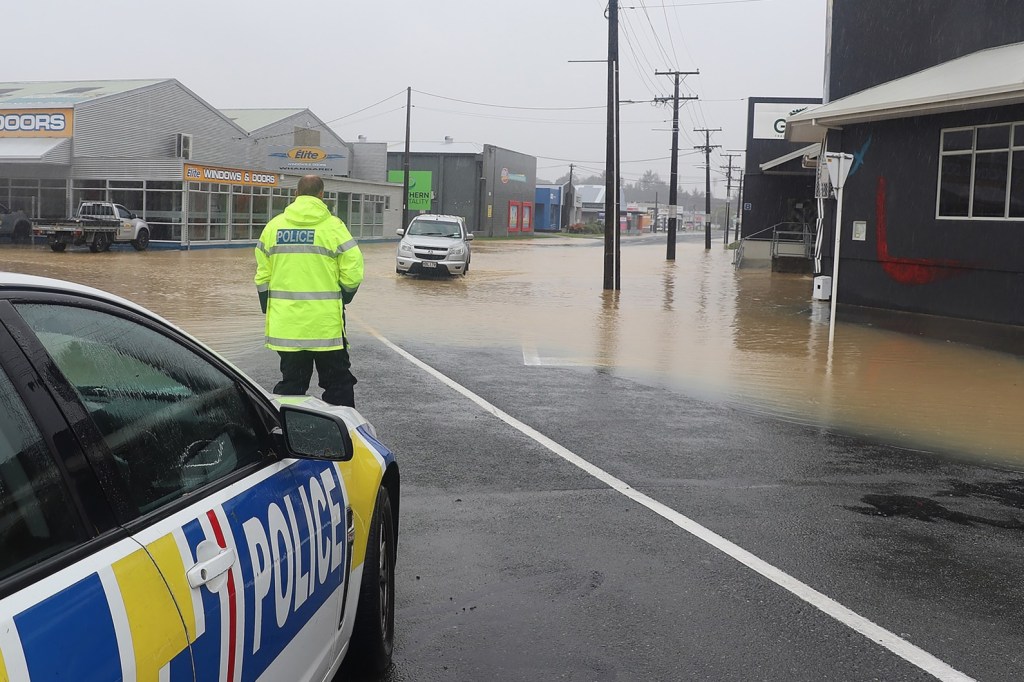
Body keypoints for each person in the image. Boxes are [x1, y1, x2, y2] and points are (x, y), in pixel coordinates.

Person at [254, 174, 364, 406]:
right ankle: (343, 435)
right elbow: (353, 270)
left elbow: (262, 276)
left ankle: (286, 433)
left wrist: (268, 305)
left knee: (292, 385)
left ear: (296, 194)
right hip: (326, 327)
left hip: (288, 326)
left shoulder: (273, 227)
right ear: (321, 195)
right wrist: (344, 295)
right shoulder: (334, 228)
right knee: (338, 386)